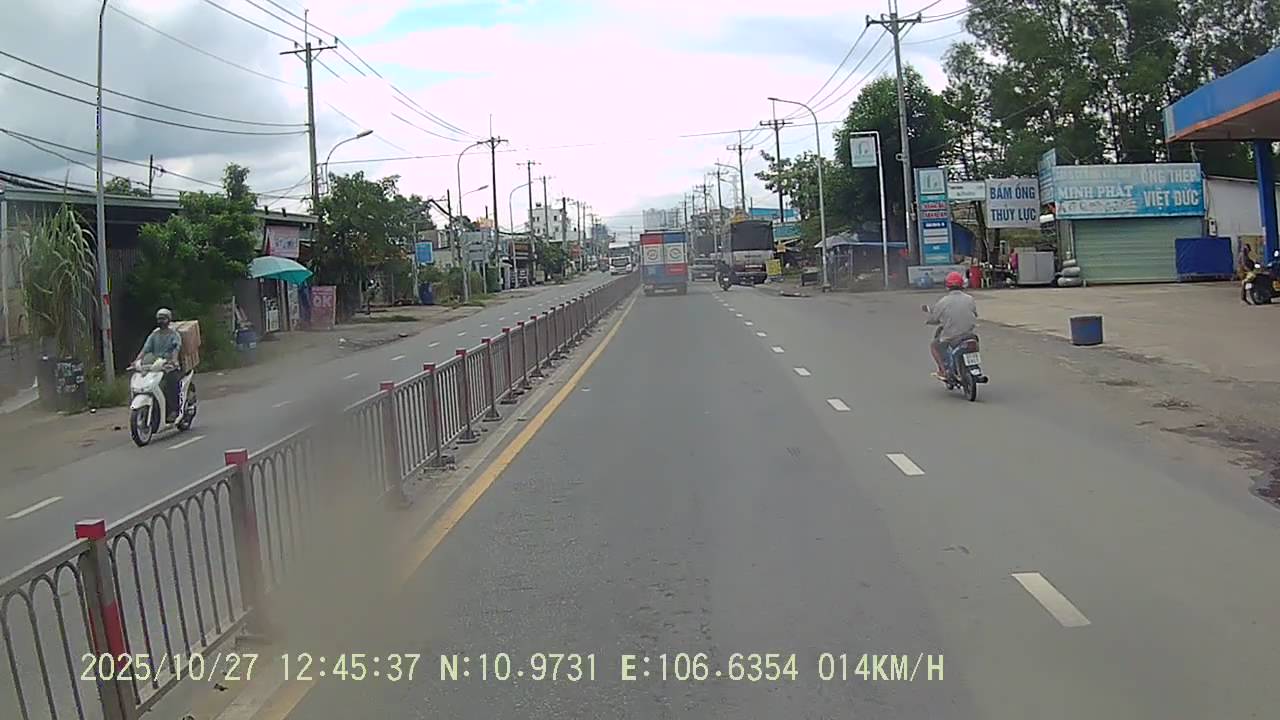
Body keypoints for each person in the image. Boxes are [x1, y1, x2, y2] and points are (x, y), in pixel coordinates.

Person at [926, 271, 978, 379]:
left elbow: (934, 318)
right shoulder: (970, 299)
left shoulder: (943, 302)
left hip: (951, 336)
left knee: (934, 346)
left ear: (947, 286)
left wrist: (930, 320)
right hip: (970, 335)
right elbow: (975, 314)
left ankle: (943, 371)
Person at [136, 308, 183, 421]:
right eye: (159, 319)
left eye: (163, 318)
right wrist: (137, 360)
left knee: (170, 383)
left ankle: (174, 410)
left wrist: (174, 361)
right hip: (156, 365)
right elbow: (145, 349)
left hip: (169, 365)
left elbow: (176, 349)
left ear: (168, 320)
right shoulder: (154, 335)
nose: (161, 321)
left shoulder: (174, 335)